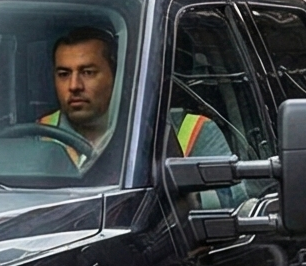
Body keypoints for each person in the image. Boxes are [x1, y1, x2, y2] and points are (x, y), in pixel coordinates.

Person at [39, 26, 232, 169]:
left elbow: (227, 204)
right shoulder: (38, 136)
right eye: (64, 74)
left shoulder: (191, 133)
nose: (74, 86)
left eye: (88, 72)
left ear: (118, 75)